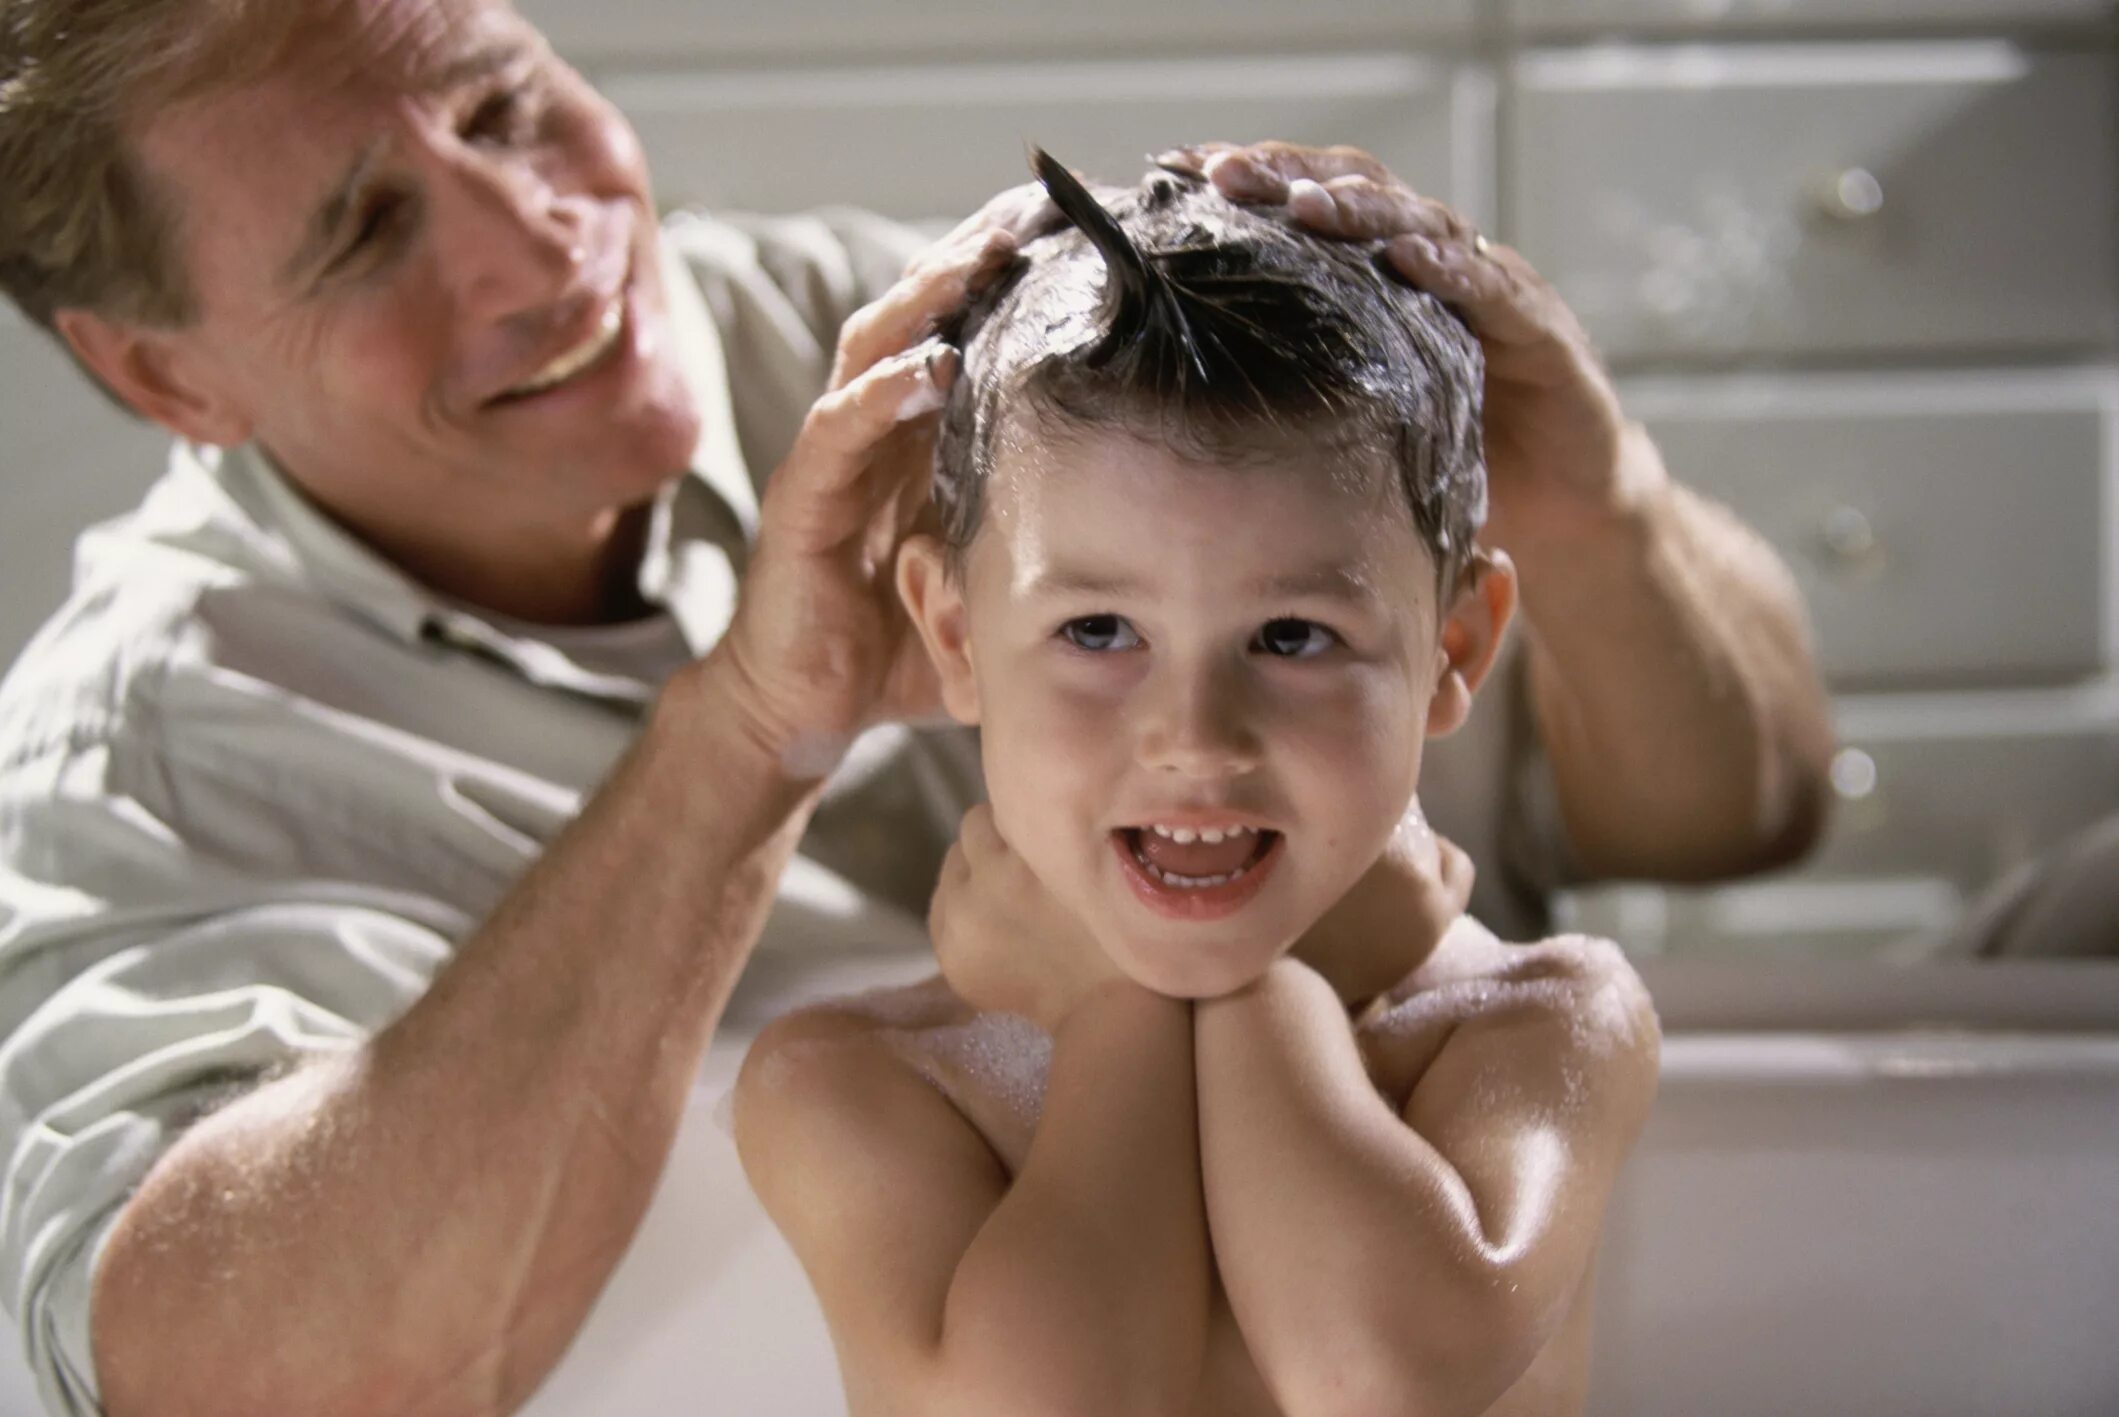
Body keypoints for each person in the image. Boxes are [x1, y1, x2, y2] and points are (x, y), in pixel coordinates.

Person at [0, 0, 1831, 1410]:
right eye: (358, 232)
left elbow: (1734, 814)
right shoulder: (150, 751)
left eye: (502, 102)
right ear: (159, 369)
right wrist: (749, 731)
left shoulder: (963, 358)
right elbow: (220, 1380)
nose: (535, 243)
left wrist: (1600, 511)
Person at [733, 153, 1661, 1417]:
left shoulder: (1538, 1019)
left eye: (1289, 636)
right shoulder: (860, 1081)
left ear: (1452, 650)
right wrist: (1122, 1012)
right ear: (954, 639)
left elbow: (1377, 1376)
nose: (1195, 738)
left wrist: (1256, 997)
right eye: (1100, 631)